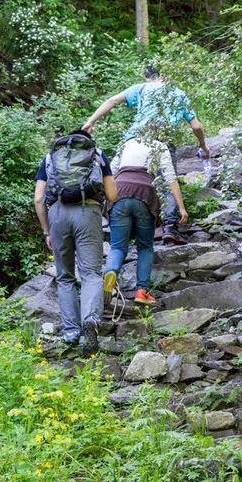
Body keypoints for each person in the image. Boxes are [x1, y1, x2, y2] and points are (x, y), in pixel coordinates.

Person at [82, 65, 209, 245]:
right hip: (163, 142)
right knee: (166, 183)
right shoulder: (178, 93)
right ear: (163, 76)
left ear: (148, 78)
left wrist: (90, 122)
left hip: (134, 140)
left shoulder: (141, 88)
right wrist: (203, 146)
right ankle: (170, 227)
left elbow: (111, 101)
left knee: (119, 176)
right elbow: (196, 126)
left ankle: (112, 220)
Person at [34, 130, 118, 356]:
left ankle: (71, 332)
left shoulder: (50, 157)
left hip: (57, 214)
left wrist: (46, 231)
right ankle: (90, 321)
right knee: (91, 273)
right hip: (87, 211)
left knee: (64, 276)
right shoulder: (97, 155)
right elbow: (112, 195)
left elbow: (38, 198)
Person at [103, 134, 188, 305]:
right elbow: (170, 178)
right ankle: (142, 291)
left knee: (118, 246)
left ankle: (110, 272)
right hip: (145, 193)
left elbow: (110, 172)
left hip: (119, 191)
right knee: (145, 247)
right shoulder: (159, 145)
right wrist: (181, 207)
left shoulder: (125, 144)